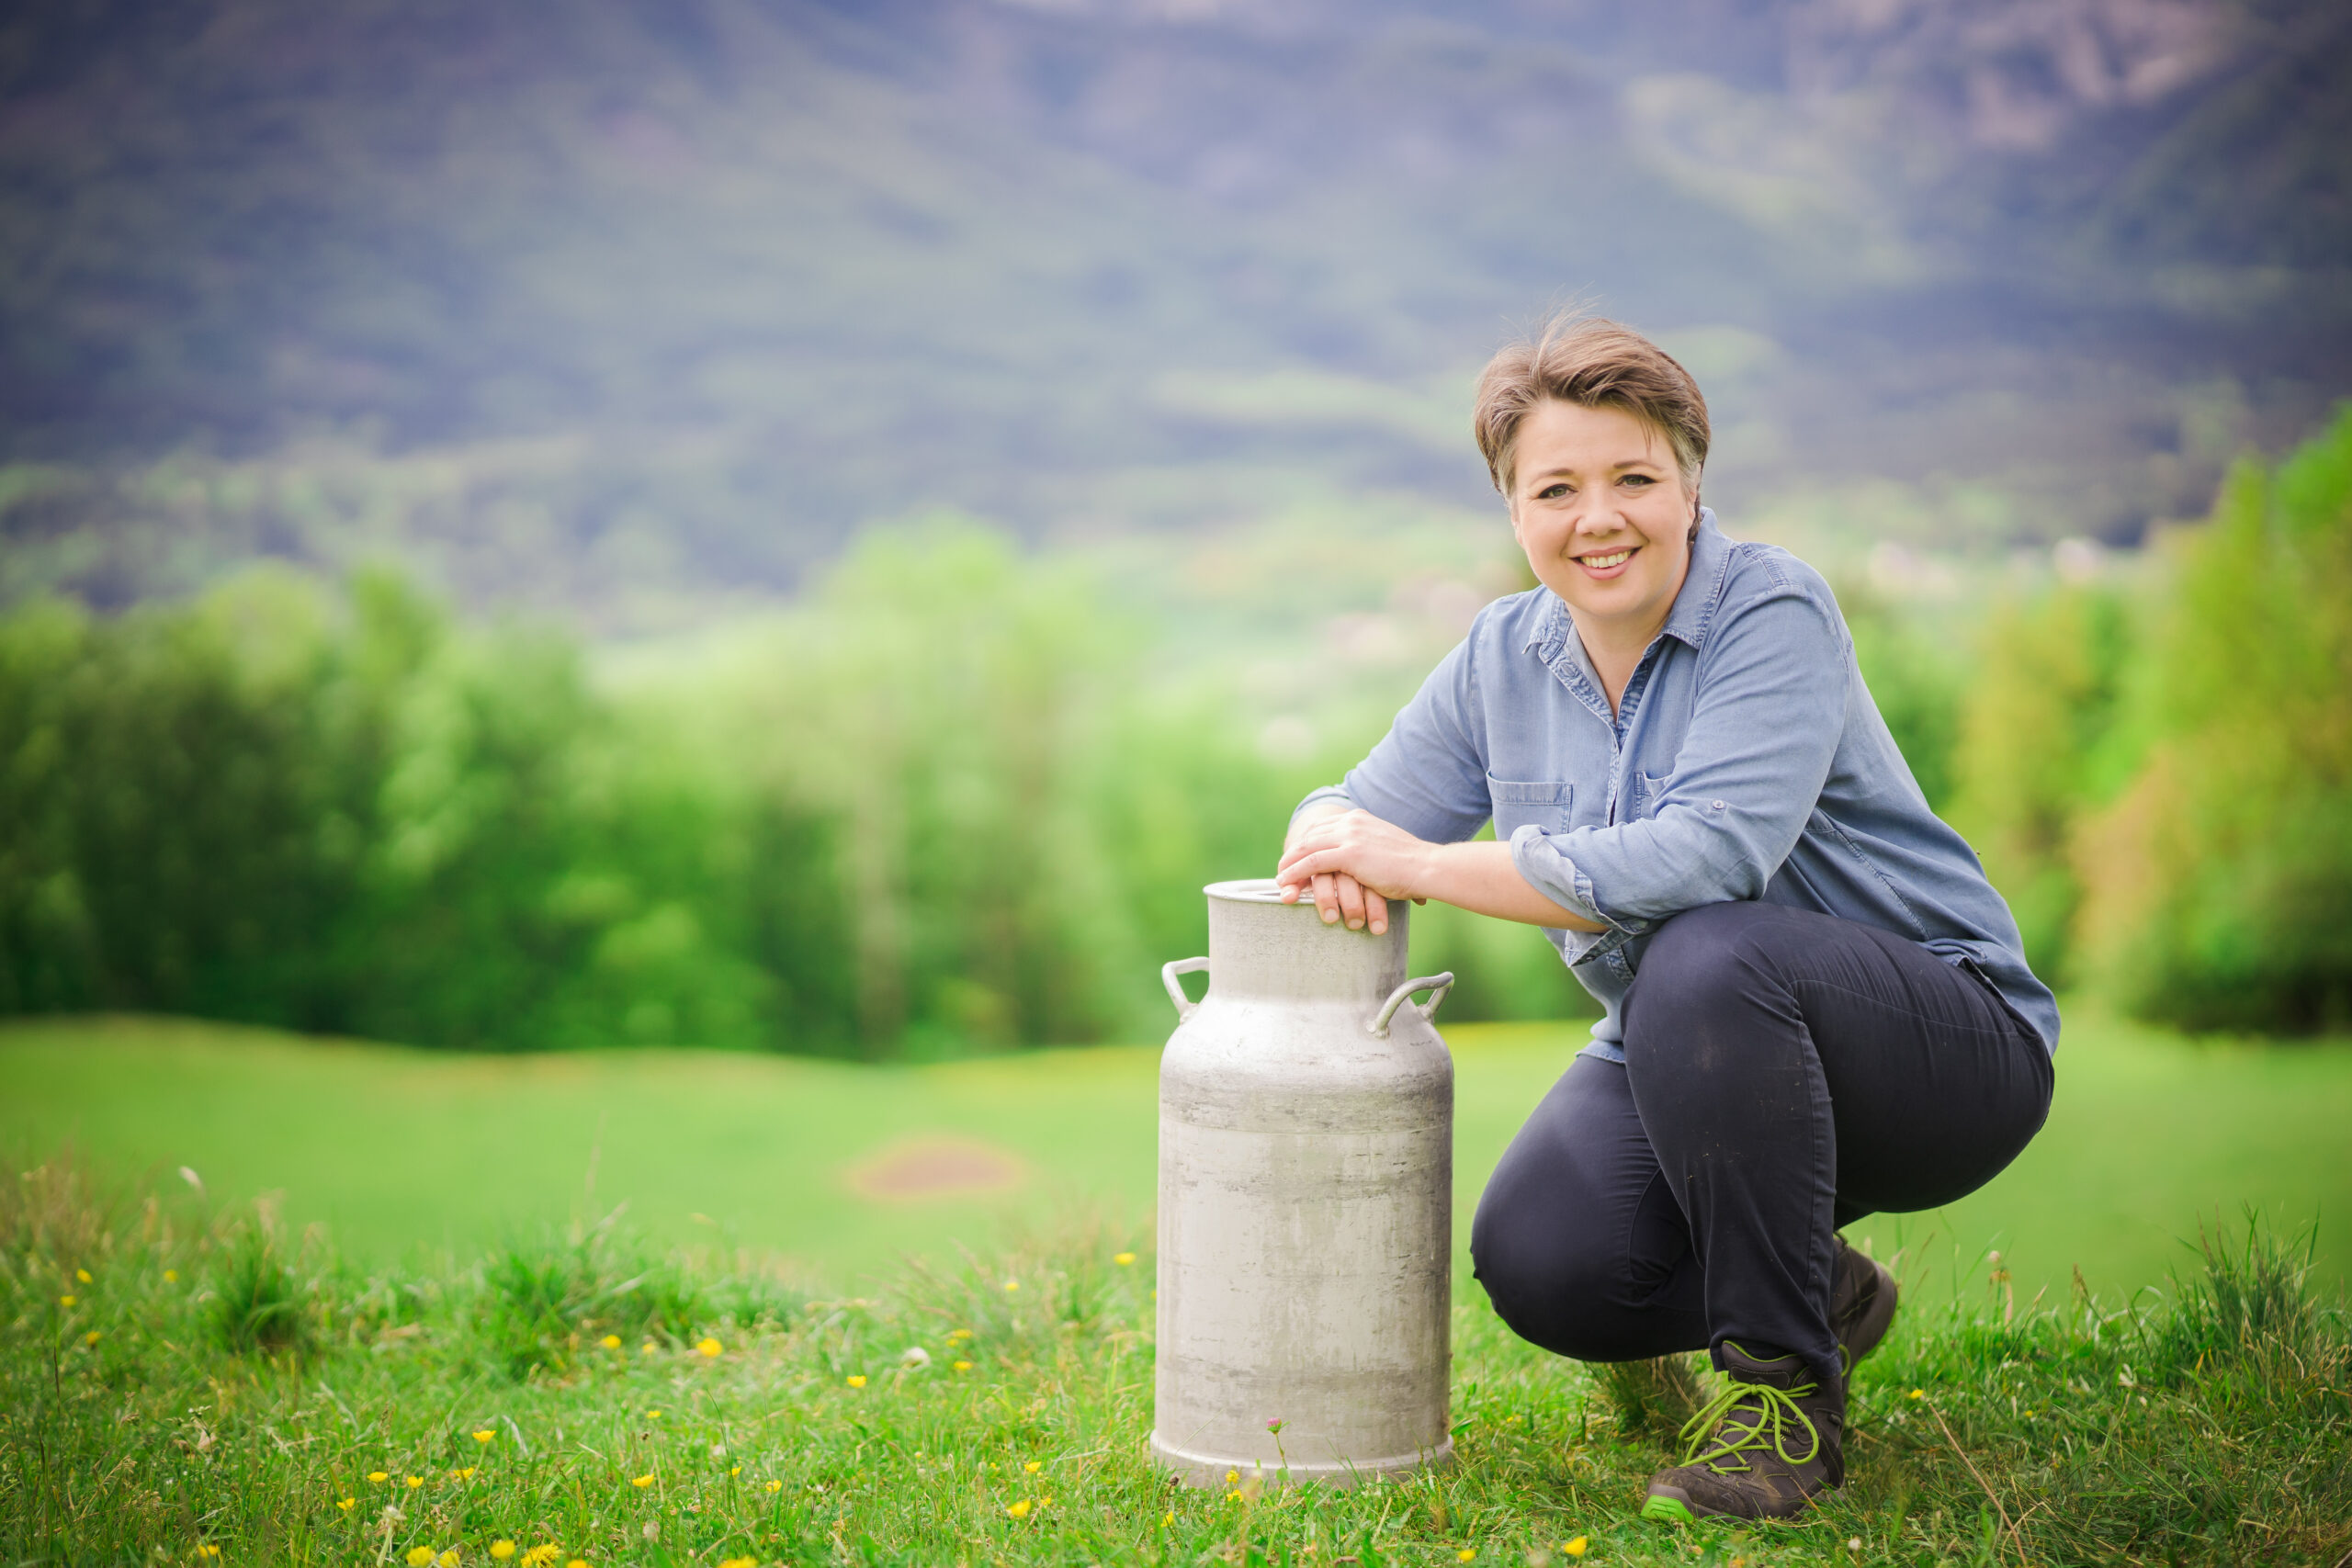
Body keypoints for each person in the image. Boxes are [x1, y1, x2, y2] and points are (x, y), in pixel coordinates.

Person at [1271, 316, 2056, 1523]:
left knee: (1701, 947)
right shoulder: (1501, 654)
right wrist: (1325, 841)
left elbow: (1708, 855)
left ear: (1690, 486)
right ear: (1512, 508)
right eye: (1557, 488)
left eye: (1635, 478)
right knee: (1547, 1264)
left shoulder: (1772, 610)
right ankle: (1826, 1292)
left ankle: (1780, 1408)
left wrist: (1420, 863)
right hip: (1697, 1044)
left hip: (1942, 1046)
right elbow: (1351, 803)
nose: (1600, 518)